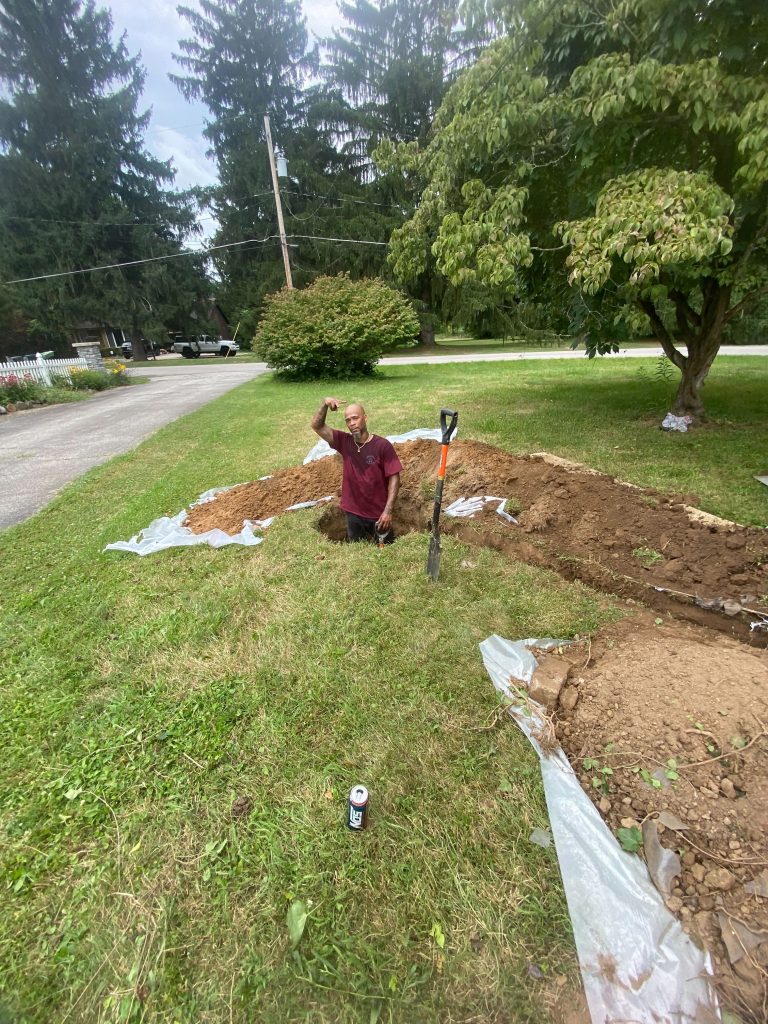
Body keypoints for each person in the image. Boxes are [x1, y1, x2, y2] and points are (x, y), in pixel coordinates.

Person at [311, 397, 402, 543]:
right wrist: (325, 404)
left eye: (355, 418)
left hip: (378, 514)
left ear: (365, 418)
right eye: (348, 420)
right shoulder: (344, 441)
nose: (352, 423)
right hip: (353, 512)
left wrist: (388, 511)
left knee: (386, 550)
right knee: (357, 552)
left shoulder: (382, 446)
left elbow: (394, 477)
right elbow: (317, 425)